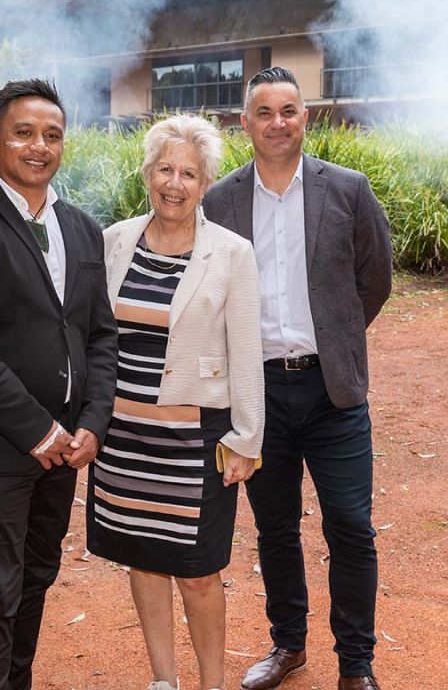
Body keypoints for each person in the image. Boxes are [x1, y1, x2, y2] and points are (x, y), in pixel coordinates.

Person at [0, 78, 118, 690]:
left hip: (63, 451)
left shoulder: (83, 229)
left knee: (35, 580)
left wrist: (92, 422)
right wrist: (38, 430)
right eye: (24, 133)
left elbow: (101, 336)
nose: (39, 146)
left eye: (52, 135)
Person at [204, 67, 392, 690]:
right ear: (245, 123)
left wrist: (334, 339)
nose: (278, 122)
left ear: (305, 117)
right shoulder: (220, 201)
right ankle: (289, 646)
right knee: (275, 526)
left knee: (350, 525)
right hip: (257, 397)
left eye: (289, 110)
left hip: (332, 392)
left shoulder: (348, 189)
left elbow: (375, 279)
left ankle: (356, 665)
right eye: (264, 112)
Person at [87, 114, 265, 690]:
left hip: (195, 437)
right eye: (165, 168)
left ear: (205, 183)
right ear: (147, 173)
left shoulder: (232, 253)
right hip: (125, 434)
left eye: (189, 173)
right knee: (143, 558)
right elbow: (93, 335)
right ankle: (164, 679)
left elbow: (246, 349)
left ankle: (211, 683)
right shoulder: (114, 240)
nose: (175, 183)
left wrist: (247, 438)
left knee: (198, 571)